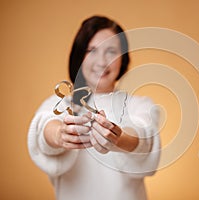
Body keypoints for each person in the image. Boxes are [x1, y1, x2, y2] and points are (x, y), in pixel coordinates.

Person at [28, 15, 161, 200]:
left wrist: (119, 138)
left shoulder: (140, 105)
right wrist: (60, 134)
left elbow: (144, 135)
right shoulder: (60, 103)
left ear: (123, 58)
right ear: (79, 56)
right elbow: (44, 125)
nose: (101, 61)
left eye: (111, 51)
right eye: (92, 50)